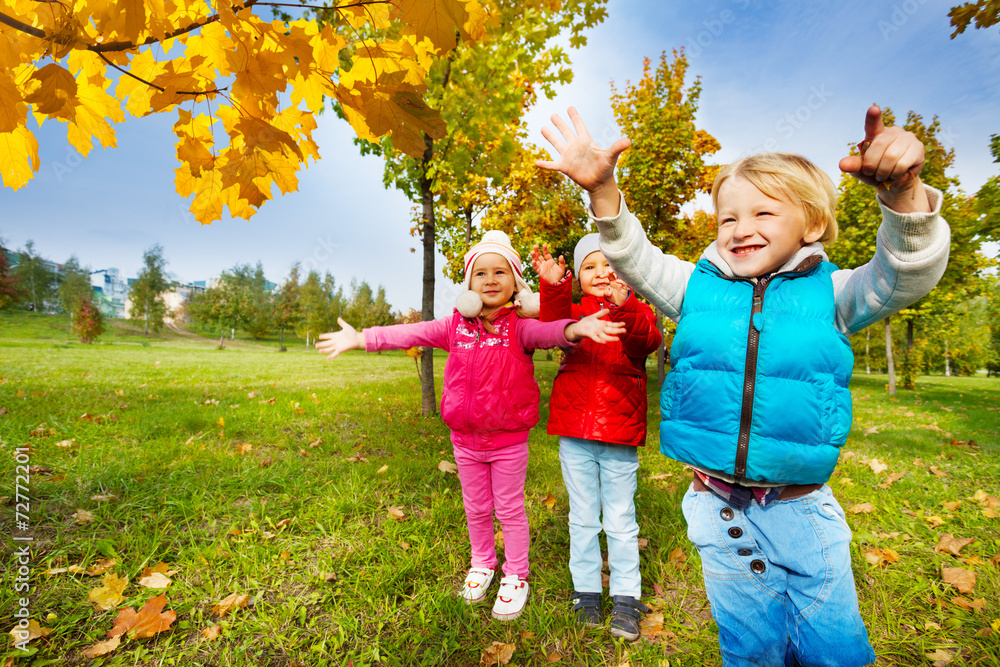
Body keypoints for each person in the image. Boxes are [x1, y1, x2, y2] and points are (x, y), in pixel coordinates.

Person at [535, 106, 950, 665]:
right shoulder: (696, 288)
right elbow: (633, 256)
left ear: (811, 224)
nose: (740, 228)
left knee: (837, 652)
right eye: (727, 218)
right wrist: (605, 190)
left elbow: (905, 272)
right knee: (748, 651)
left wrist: (903, 197)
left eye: (763, 212)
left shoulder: (835, 294)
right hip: (718, 510)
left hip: (801, 511)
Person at [316, 230, 627, 622]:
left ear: (515, 282)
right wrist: (363, 337)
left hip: (508, 441)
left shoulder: (519, 328)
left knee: (510, 509)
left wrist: (574, 329)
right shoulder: (454, 328)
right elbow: (410, 333)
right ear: (469, 285)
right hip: (464, 442)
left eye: (501, 272)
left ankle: (516, 575)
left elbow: (549, 331)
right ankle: (482, 563)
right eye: (481, 273)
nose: (491, 279)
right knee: (476, 507)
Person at [529, 235, 661, 641]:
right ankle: (586, 590)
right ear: (579, 278)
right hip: (575, 433)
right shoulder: (573, 310)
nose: (602, 272)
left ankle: (625, 595)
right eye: (590, 266)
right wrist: (552, 285)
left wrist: (625, 306)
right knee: (583, 517)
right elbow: (551, 324)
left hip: (619, 433)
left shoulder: (640, 311)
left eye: (611, 264)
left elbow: (647, 341)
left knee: (621, 520)